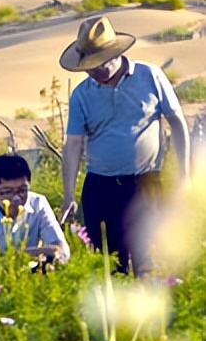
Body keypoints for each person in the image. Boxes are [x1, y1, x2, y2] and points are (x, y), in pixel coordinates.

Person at [59, 15, 190, 274]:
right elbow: (73, 145)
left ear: (114, 54)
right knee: (108, 264)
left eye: (98, 64)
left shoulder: (151, 76)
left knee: (150, 261)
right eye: (87, 66)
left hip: (146, 184)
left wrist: (184, 175)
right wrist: (68, 195)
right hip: (101, 188)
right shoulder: (82, 94)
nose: (93, 71)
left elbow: (176, 122)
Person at [0, 154, 70, 264]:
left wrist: (14, 257)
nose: (16, 198)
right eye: (7, 192)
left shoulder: (38, 204)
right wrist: (35, 254)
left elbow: (61, 250)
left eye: (22, 190)